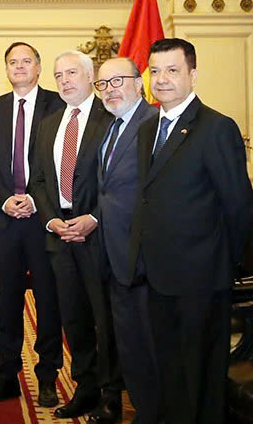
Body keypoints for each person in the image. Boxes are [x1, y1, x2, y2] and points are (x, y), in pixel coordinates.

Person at [128, 38, 252, 423]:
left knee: (201, 375)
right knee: (171, 369)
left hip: (202, 278)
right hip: (157, 274)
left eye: (172, 70)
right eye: (155, 71)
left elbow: (239, 206)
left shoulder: (216, 128)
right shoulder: (148, 129)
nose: (161, 79)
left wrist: (223, 266)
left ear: (192, 75)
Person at [27, 50, 122, 422]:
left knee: (105, 320)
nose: (64, 81)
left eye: (71, 73)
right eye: (58, 75)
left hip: (99, 234)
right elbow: (38, 180)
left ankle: (111, 395)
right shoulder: (48, 124)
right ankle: (84, 389)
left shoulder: (110, 117)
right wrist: (51, 220)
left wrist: (94, 219)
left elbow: (120, 181)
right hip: (59, 235)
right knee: (75, 319)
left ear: (90, 76)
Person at [0, 42, 65, 407]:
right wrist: (5, 200)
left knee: (48, 300)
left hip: (44, 219)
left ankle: (47, 377)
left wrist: (33, 198)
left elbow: (61, 159)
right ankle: (6, 376)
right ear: (6, 69)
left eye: (26, 61)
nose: (19, 66)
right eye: (13, 62)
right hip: (7, 220)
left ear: (39, 67)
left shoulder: (57, 104)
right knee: (8, 301)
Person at [93, 57, 159, 423]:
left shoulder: (155, 123)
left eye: (117, 80)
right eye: (102, 84)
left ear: (139, 83)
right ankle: (145, 411)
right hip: (114, 255)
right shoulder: (111, 127)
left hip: (146, 259)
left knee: (151, 347)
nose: (109, 90)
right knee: (130, 346)